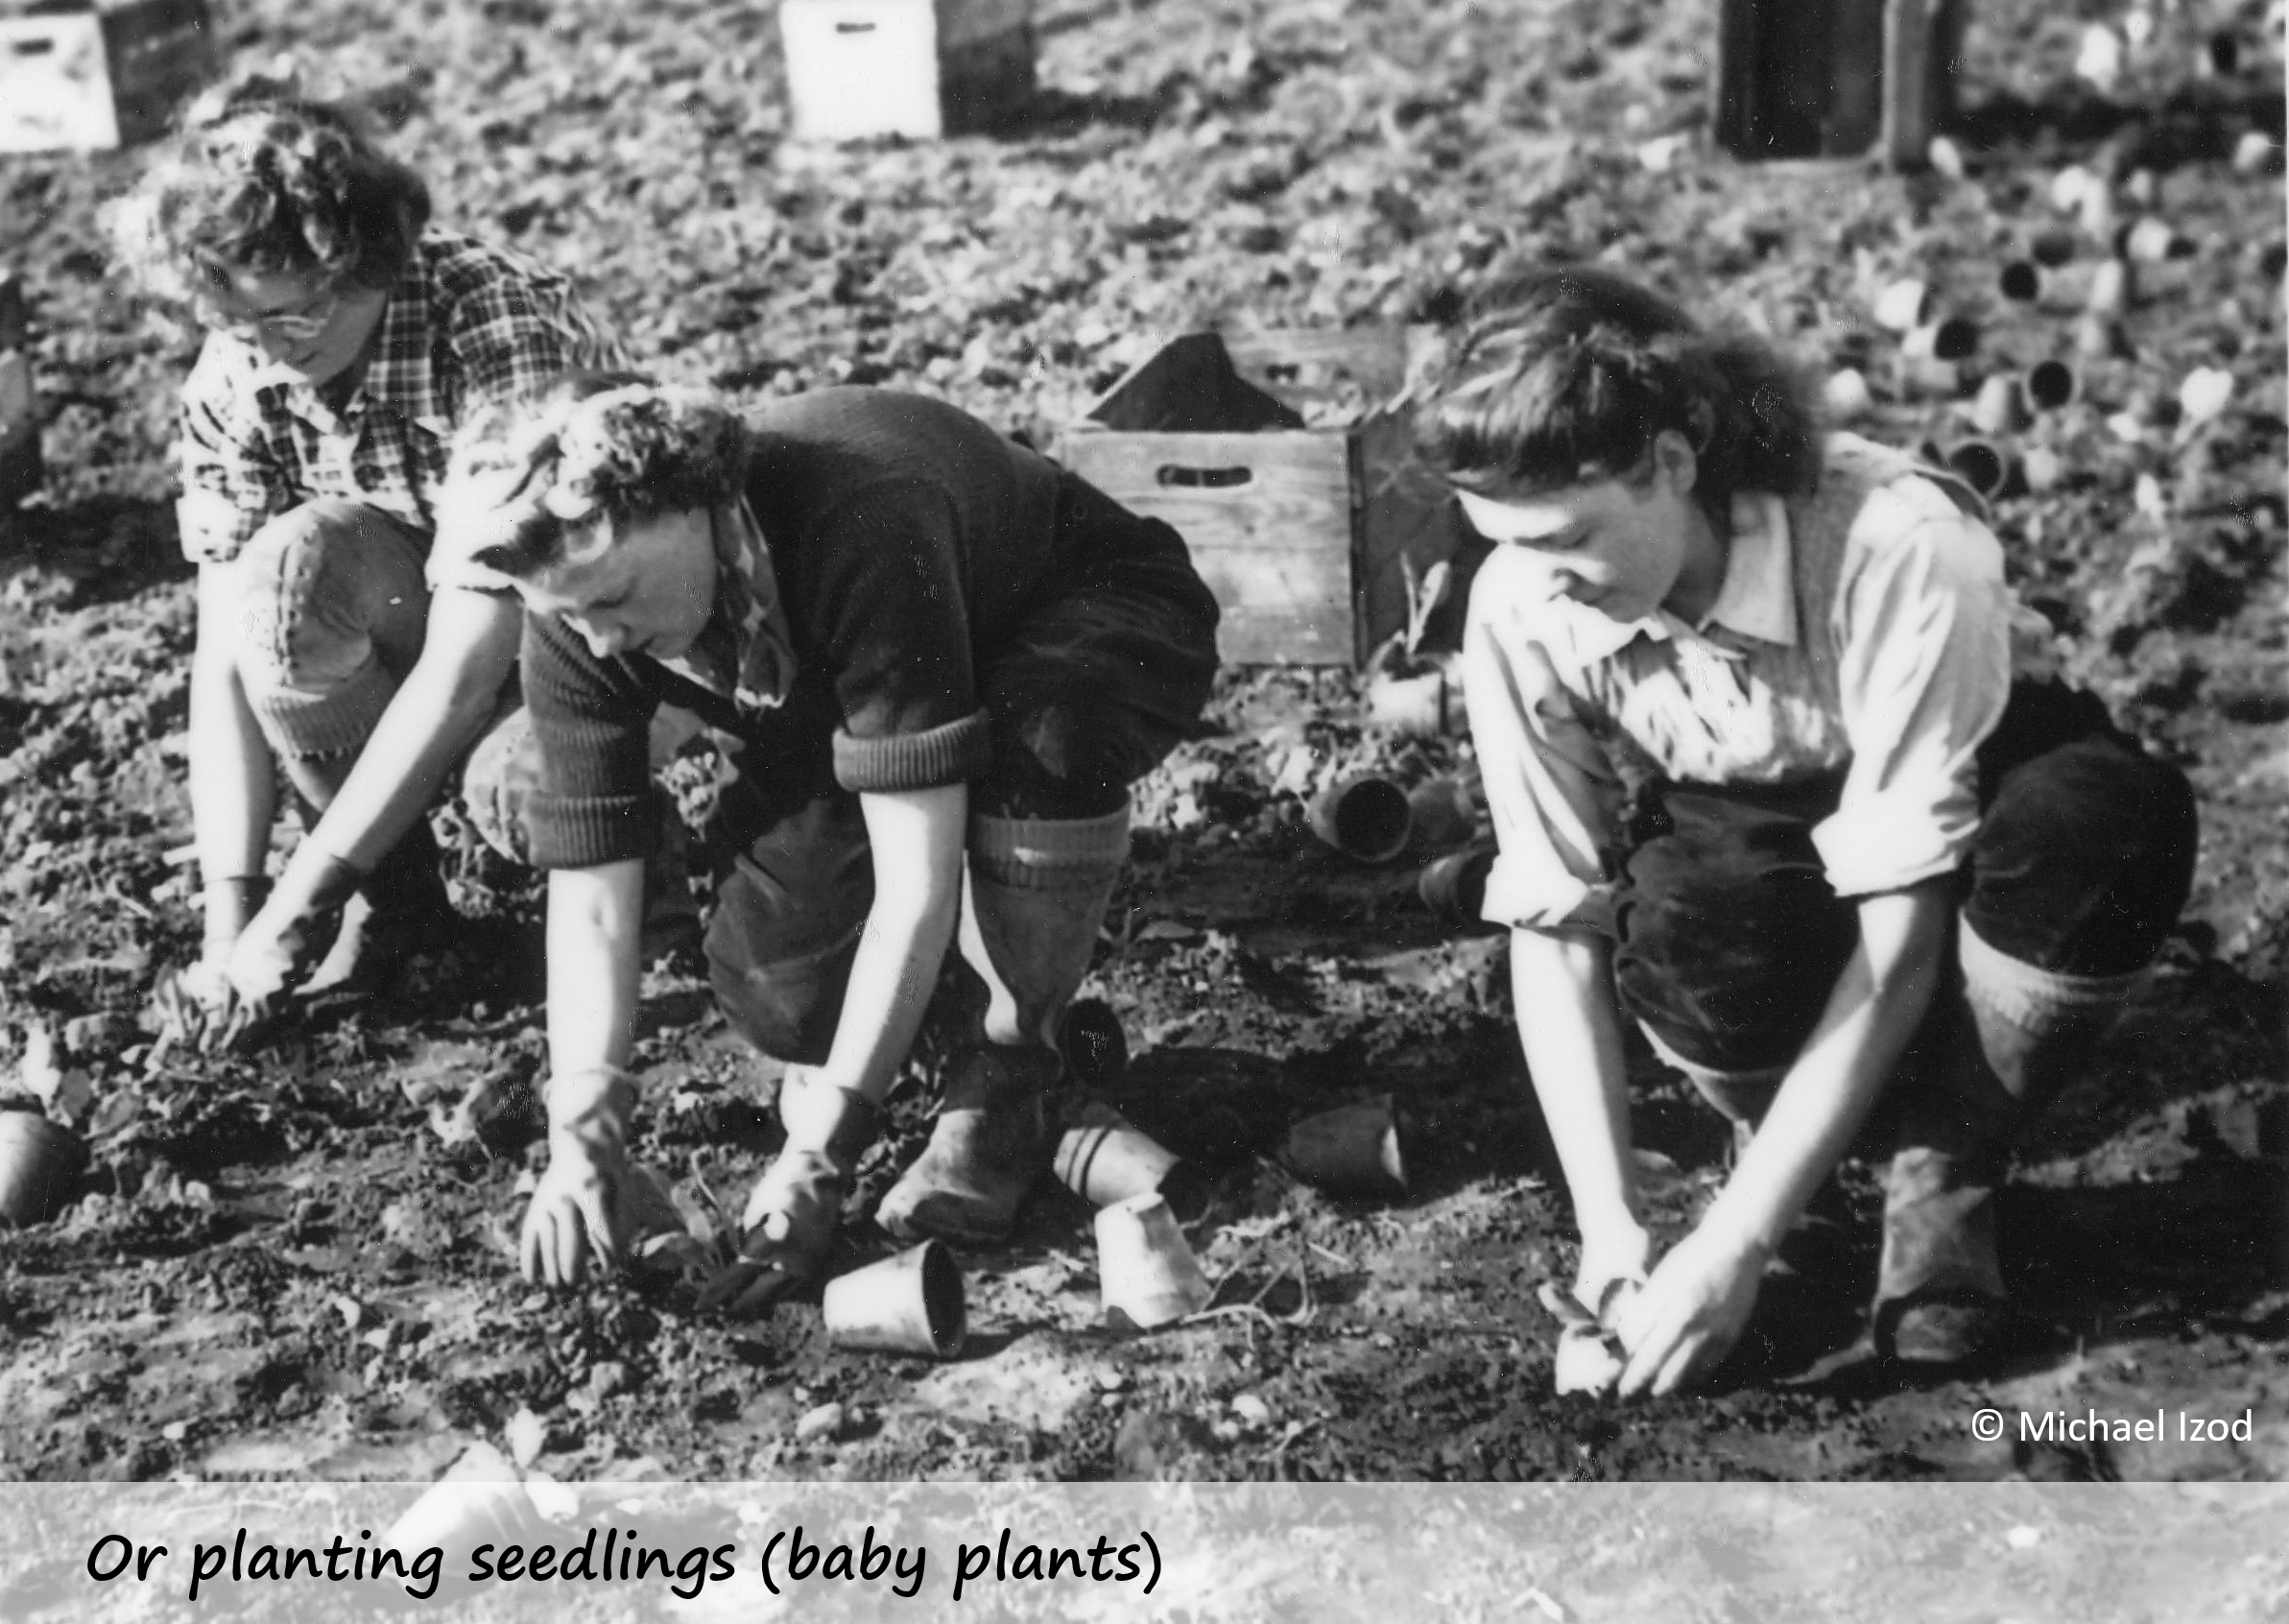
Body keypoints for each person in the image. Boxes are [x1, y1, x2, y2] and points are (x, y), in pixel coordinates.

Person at [1413, 268, 2197, 1396]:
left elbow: (1904, 919)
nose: (1539, 580)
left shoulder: (1899, 542)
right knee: (1690, 910)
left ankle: (1945, 1165)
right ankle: (1797, 1166)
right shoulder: (1523, 604)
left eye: (1570, 536)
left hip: (1971, 795)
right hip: (1758, 809)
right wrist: (1613, 1233)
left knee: (2101, 822)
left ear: (1674, 462)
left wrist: (1730, 1246)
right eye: (1506, 541)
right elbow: (1556, 918)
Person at [426, 376, 1220, 1305]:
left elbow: (913, 888)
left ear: (698, 509)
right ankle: (935, 1023)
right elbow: (593, 898)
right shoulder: (573, 611)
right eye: (568, 617)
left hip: (1075, 611)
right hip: (855, 682)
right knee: (786, 1000)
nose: (599, 644)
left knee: (1045, 731)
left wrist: (820, 1155)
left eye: (613, 599)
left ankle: (1011, 1072)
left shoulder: (860, 519)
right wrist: (582, 1136)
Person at [107, 75, 631, 1030]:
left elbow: (476, 658)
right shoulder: (241, 376)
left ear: (368, 263)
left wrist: (301, 897)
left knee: (514, 787)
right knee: (285, 584)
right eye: (237, 324)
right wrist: (232, 921)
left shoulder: (488, 322)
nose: (266, 351)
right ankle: (402, 908)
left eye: (293, 317)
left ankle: (651, 886)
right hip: (424, 626)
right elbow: (224, 656)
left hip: (585, 634)